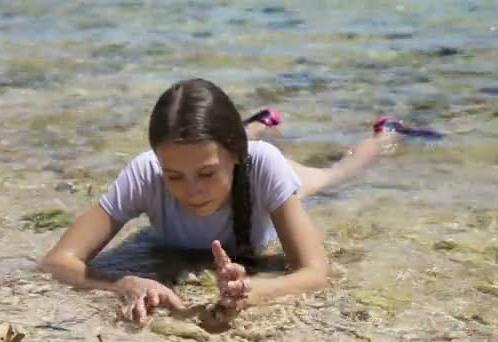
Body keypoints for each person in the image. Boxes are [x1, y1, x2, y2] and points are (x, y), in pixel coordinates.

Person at [38, 78, 403, 324]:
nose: (192, 191)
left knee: (334, 175)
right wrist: (122, 284)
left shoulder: (263, 166)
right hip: (231, 151)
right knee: (199, 155)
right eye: (174, 177)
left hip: (271, 175)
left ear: (235, 156)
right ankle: (261, 121)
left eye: (207, 175)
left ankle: (386, 132)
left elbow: (316, 272)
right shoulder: (147, 171)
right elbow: (58, 260)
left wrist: (250, 292)